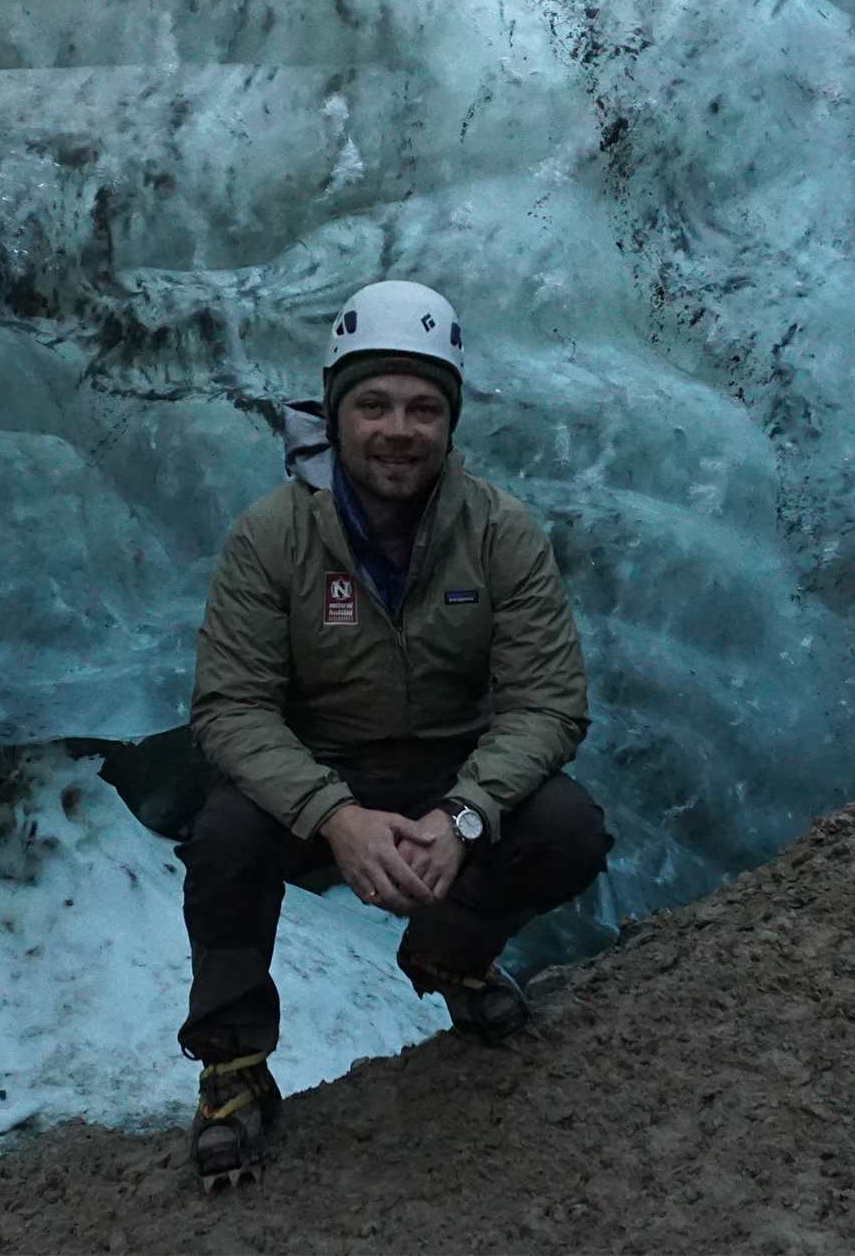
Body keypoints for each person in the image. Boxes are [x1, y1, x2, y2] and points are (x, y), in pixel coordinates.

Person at [176, 279, 614, 1189]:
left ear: (450, 421)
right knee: (223, 836)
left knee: (568, 829)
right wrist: (334, 815)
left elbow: (549, 702)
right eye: (372, 404)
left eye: (423, 407)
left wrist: (465, 813)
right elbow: (231, 707)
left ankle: (450, 953)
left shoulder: (500, 533)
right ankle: (233, 1062)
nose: (398, 428)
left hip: (448, 770)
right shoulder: (271, 537)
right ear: (335, 414)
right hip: (318, 766)